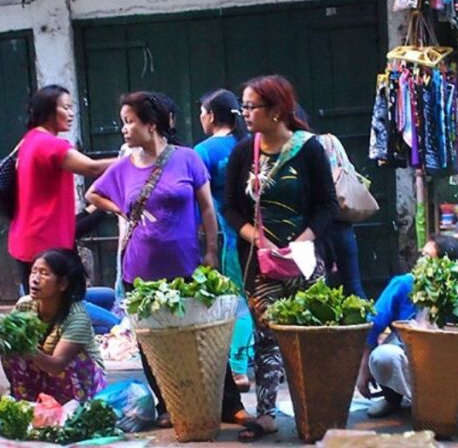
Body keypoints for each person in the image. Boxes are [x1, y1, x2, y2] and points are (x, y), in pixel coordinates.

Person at [87, 91, 248, 428]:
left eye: (130, 122)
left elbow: (207, 208)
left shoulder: (187, 158)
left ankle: (227, 403)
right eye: (123, 123)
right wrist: (121, 210)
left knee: (204, 339)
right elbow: (93, 194)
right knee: (153, 346)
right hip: (138, 273)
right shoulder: (123, 167)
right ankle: (167, 404)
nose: (124, 130)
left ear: (151, 124)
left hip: (187, 269)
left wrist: (211, 251)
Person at [222, 75, 338, 441]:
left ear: (276, 111)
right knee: (266, 337)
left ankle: (317, 410)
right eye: (243, 106)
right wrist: (259, 241)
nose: (245, 113)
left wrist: (302, 240)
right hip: (262, 264)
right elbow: (230, 208)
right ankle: (267, 413)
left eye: (251, 106)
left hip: (305, 261)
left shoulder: (309, 149)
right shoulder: (244, 152)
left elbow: (328, 205)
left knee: (312, 337)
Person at [8, 85, 114, 295]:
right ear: (48, 111)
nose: (72, 113)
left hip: (29, 239)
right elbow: (92, 168)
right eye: (66, 107)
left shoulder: (29, 139)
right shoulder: (51, 145)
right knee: (67, 309)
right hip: (46, 243)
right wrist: (134, 160)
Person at [355, 235, 458, 419]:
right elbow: (373, 325)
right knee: (384, 356)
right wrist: (363, 370)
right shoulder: (404, 284)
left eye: (427, 258)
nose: (420, 262)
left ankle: (441, 401)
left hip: (446, 358)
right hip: (406, 352)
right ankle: (393, 398)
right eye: (422, 255)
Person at [194, 89, 255, 392]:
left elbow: (198, 203)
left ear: (212, 115)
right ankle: (253, 358)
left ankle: (238, 369)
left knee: (238, 304)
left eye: (202, 112)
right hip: (262, 237)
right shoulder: (249, 145)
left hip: (231, 238)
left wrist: (203, 245)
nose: (200, 118)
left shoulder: (204, 152)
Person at [1, 249, 107, 403]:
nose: (35, 279)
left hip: (84, 382)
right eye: (34, 272)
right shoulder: (24, 306)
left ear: (62, 284)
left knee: (72, 359)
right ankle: (28, 402)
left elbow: (57, 365)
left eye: (44, 273)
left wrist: (28, 348)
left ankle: (74, 407)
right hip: (45, 372)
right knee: (10, 348)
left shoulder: (77, 317)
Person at [317, 133, 369, 299]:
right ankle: (369, 323)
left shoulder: (315, 164)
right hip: (344, 230)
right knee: (354, 285)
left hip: (321, 231)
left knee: (319, 287)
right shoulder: (344, 165)